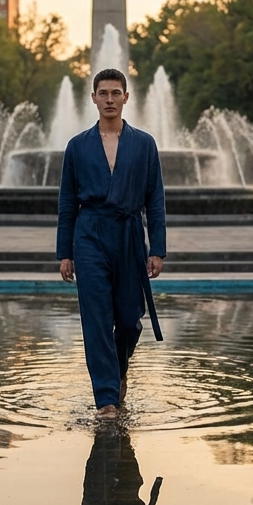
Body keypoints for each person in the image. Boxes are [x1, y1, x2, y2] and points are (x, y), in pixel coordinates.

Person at [57, 68, 166, 422]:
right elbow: (66, 203)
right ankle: (106, 399)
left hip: (130, 235)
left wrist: (157, 248)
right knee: (97, 319)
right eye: (102, 93)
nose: (108, 99)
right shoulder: (77, 146)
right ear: (93, 98)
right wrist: (65, 253)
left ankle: (119, 370)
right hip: (89, 235)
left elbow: (156, 199)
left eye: (115, 93)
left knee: (130, 320)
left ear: (125, 97)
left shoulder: (144, 144)